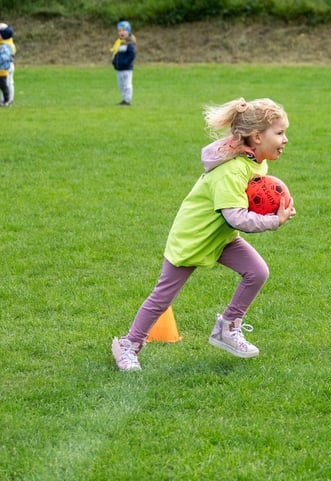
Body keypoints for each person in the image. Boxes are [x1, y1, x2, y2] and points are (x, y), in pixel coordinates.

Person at [112, 97, 296, 371]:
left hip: (220, 237)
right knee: (163, 297)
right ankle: (129, 344)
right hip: (194, 237)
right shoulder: (232, 170)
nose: (285, 139)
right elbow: (234, 216)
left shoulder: (254, 162)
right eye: (280, 133)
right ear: (257, 137)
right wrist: (273, 221)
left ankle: (227, 329)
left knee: (257, 272)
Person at [110, 20, 135, 105]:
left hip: (126, 69)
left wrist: (125, 62)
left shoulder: (129, 44)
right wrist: (114, 62)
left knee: (127, 84)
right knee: (121, 85)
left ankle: (127, 100)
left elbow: (132, 55)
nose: (121, 32)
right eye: (119, 30)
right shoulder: (118, 43)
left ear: (128, 31)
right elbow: (116, 54)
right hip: (119, 68)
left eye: (124, 30)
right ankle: (124, 99)